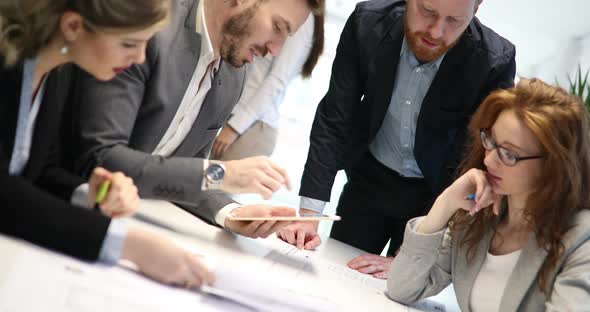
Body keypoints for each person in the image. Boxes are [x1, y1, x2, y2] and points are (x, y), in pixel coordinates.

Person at [277, 0, 516, 272]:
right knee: (335, 270)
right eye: (427, 12)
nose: (436, 32)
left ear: (476, 9)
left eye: (454, 21)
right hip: (368, 183)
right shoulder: (367, 24)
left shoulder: (493, 62)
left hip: (435, 196)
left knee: (398, 287)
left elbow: (474, 158)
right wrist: (309, 217)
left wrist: (411, 256)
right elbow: (335, 118)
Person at [65, 0, 324, 238]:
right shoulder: (152, 25)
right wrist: (223, 173)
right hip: (71, 208)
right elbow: (103, 157)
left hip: (137, 222)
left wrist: (231, 213)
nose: (275, 50)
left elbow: (188, 169)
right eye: (277, 27)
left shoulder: (233, 75)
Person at [0, 0, 213, 289]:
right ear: (73, 26)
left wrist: (89, 193)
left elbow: (40, 170)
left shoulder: (56, 72)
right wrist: (126, 243)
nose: (139, 58)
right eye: (129, 44)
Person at [387, 78, 590, 310]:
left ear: (554, 165)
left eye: (509, 154)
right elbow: (402, 288)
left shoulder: (581, 240)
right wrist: (445, 204)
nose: (488, 159)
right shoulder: (480, 212)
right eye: (490, 141)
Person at [210, 9, 324, 160]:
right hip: (235, 116)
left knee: (213, 183)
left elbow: (277, 80)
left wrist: (234, 128)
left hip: (252, 127)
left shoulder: (302, 18)